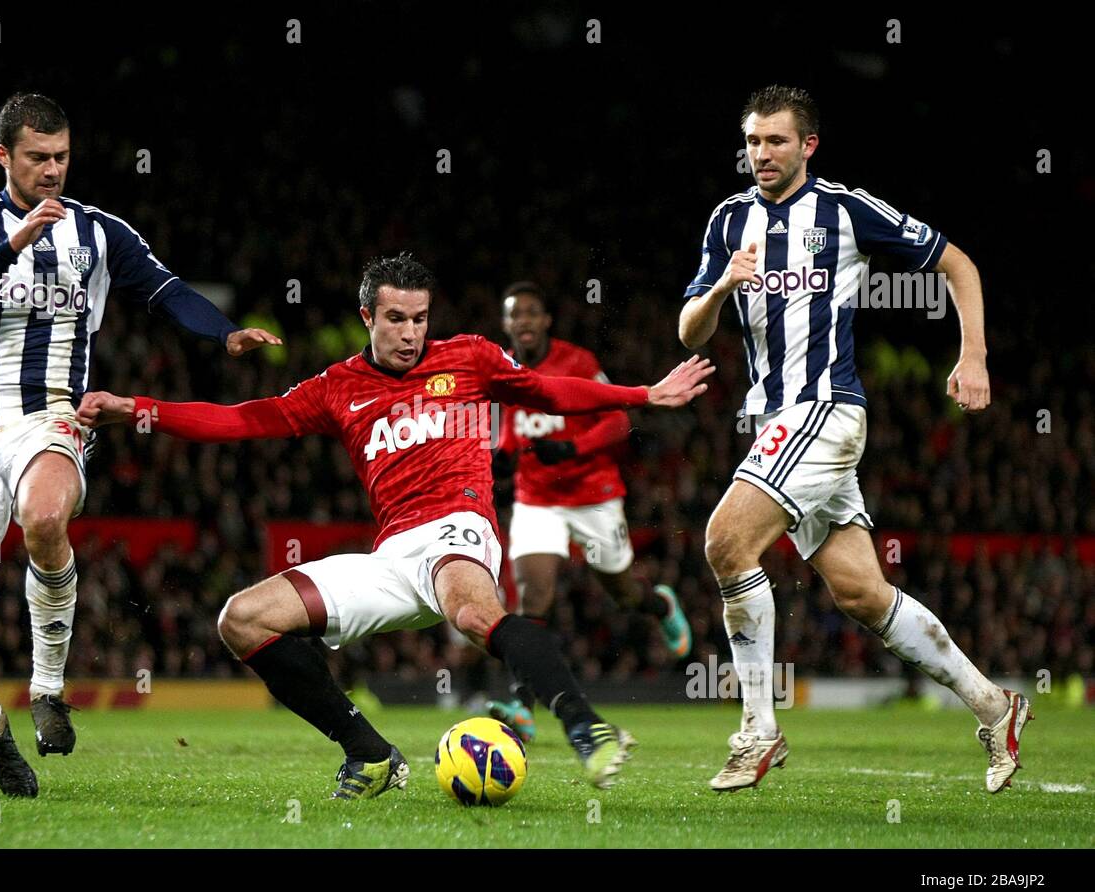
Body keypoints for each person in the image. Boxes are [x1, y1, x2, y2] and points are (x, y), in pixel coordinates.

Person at [79, 253, 715, 797]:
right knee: (241, 619)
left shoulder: (469, 358)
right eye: (396, 319)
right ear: (367, 317)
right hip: (391, 559)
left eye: (419, 318)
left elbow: (550, 393)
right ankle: (370, 753)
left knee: (473, 615)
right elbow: (244, 419)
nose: (411, 333)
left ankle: (583, 724)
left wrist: (643, 395)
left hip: (459, 529)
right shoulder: (337, 387)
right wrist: (139, 409)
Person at [0, 93, 278, 797]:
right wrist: (17, 241)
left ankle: (48, 687)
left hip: (50, 417)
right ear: (4, 157)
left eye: (61, 157)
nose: (52, 171)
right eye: (37, 158)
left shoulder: (99, 232)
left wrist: (223, 331)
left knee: (47, 517)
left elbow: (167, 289)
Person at [678, 85, 1029, 793]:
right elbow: (689, 331)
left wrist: (974, 355)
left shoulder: (843, 210)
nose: (762, 155)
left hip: (826, 410)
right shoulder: (728, 221)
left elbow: (959, 263)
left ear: (808, 145)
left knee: (725, 542)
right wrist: (722, 288)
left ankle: (757, 731)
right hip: (774, 421)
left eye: (776, 141)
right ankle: (996, 705)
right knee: (862, 594)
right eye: (752, 142)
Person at [486, 281, 692, 743]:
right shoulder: (500, 371)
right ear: (506, 325)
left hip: (593, 496)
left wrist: (573, 447)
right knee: (532, 595)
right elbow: (508, 435)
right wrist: (500, 453)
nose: (523, 321)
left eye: (531, 312)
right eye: (514, 314)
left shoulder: (577, 362)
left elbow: (620, 419)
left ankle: (659, 604)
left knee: (622, 593)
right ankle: (522, 703)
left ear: (545, 321)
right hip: (537, 499)